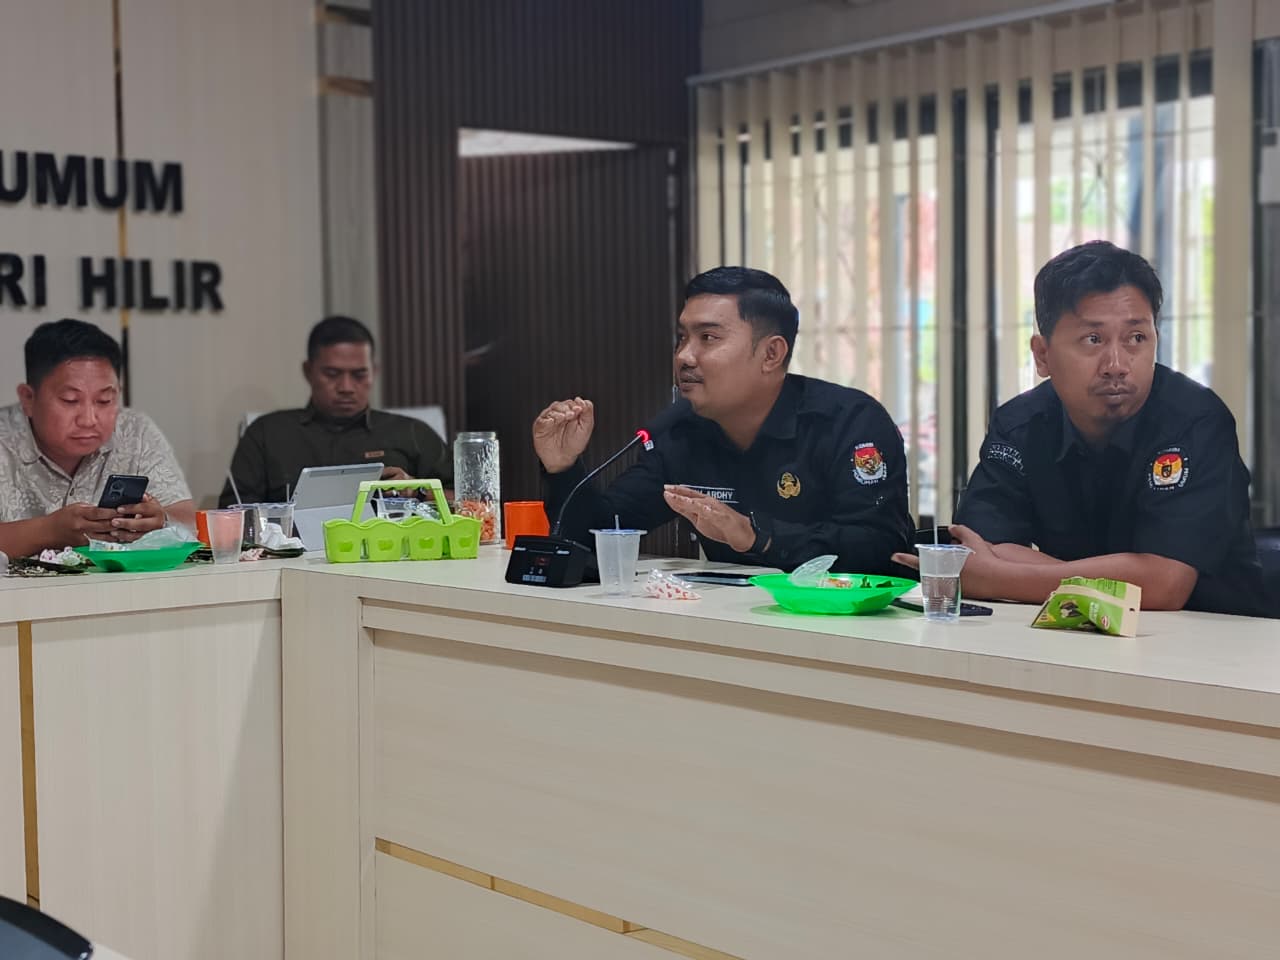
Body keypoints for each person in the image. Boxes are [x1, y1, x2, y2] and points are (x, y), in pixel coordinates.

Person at [893, 240, 1272, 617]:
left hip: (1209, 637)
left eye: (1136, 338)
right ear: (1042, 355)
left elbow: (1166, 584)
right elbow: (983, 547)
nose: (1117, 365)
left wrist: (998, 579)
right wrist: (1116, 581)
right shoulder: (1020, 425)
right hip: (1073, 632)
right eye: (1093, 339)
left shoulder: (1195, 421)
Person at [533, 267, 913, 573]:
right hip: (728, 625)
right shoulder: (682, 431)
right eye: (682, 338)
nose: (684, 356)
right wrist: (563, 468)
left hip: (843, 628)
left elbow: (881, 549)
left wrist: (759, 537)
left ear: (771, 354)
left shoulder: (849, 423)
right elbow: (600, 537)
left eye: (708, 338)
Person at [0, 319, 195, 557]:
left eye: (104, 401)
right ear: (28, 398)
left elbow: (189, 521)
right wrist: (47, 531)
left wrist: (161, 521)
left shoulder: (135, 431)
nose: (89, 419)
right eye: (70, 400)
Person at [219, 315, 451, 505]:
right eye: (332, 374)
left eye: (359, 374)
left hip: (389, 546)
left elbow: (466, 500)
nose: (346, 387)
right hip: (292, 547)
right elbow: (232, 514)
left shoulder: (411, 433)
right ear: (308, 371)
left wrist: (418, 490)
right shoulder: (267, 434)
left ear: (374, 372)